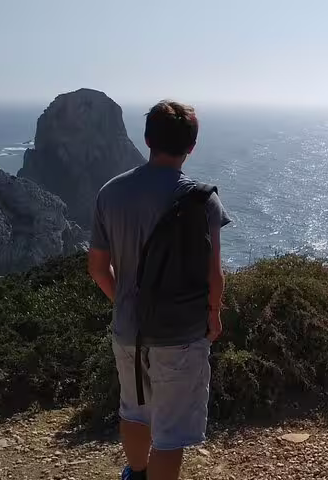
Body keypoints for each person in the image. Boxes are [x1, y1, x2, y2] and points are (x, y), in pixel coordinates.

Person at [88, 101, 231, 480]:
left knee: (134, 410)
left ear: (147, 138)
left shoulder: (110, 193)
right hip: (181, 332)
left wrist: (123, 302)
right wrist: (213, 314)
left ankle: (136, 473)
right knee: (170, 434)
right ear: (192, 145)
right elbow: (214, 274)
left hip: (129, 328)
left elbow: (98, 268)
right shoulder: (203, 200)